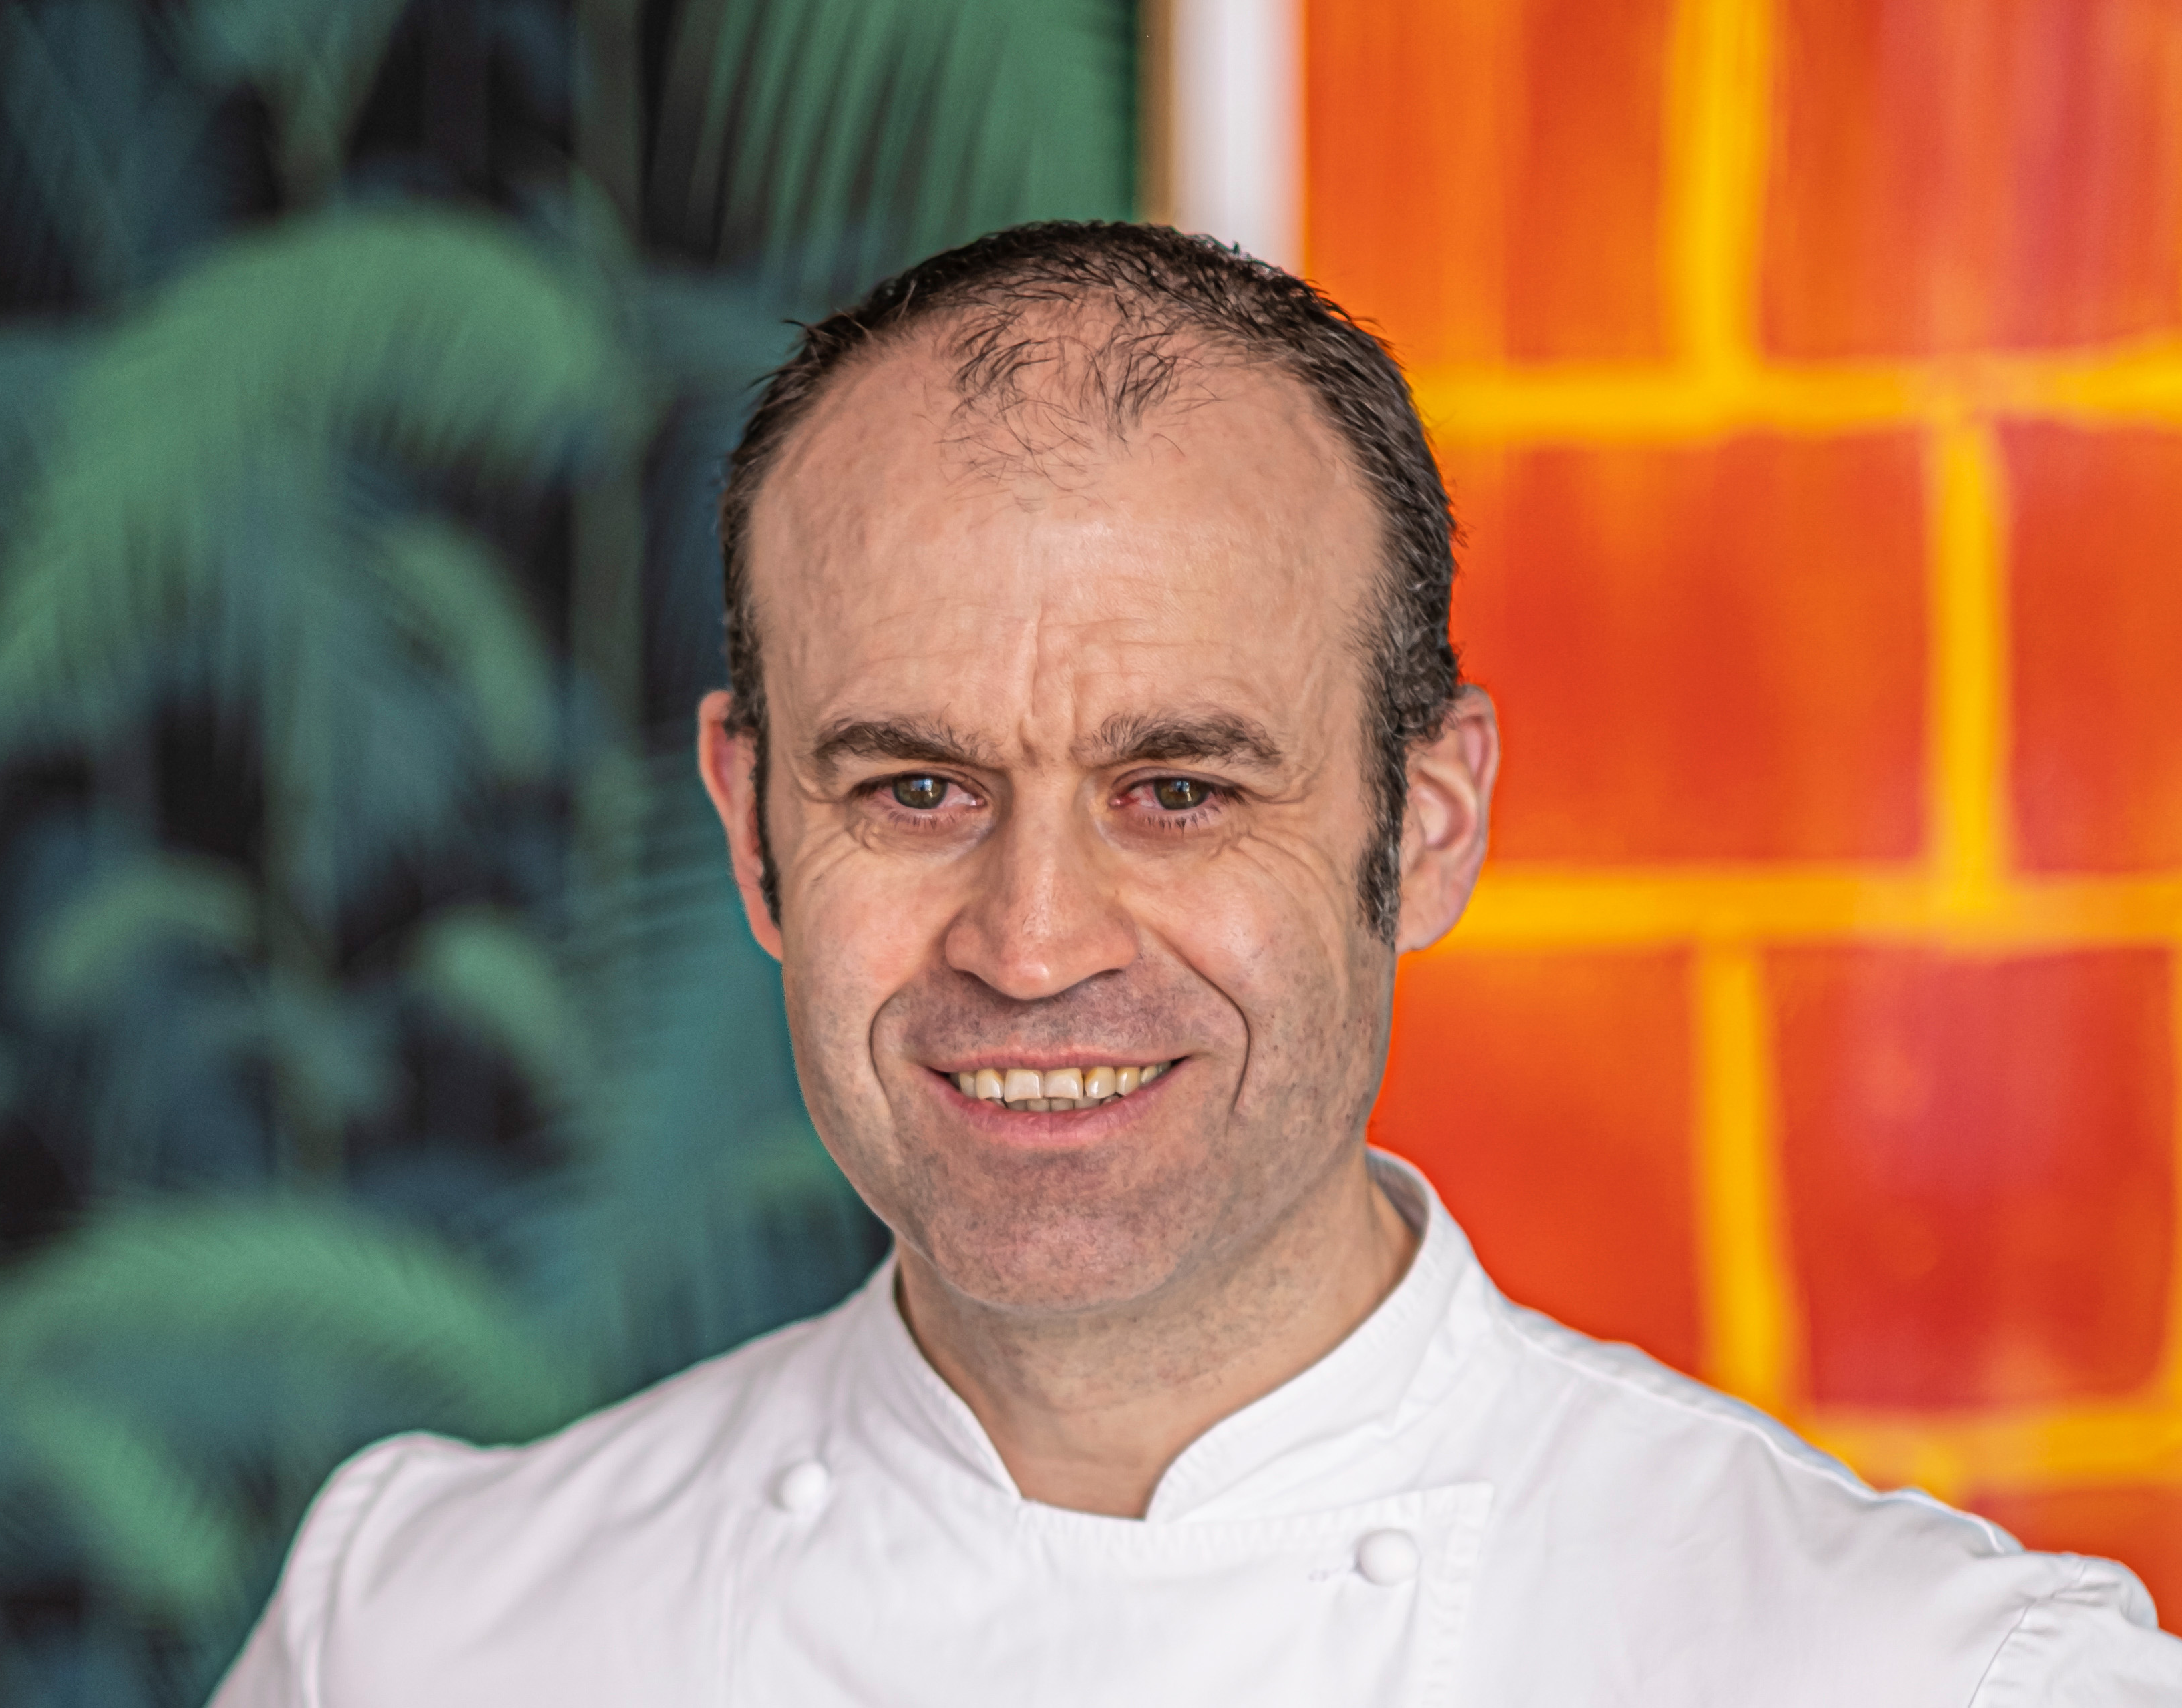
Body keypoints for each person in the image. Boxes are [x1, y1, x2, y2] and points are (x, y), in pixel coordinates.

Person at [210, 222, 2182, 1705]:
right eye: (915, 789)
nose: (1032, 942)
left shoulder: (1931, 1677)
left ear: (1426, 823)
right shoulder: (425, 1630)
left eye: (1177, 791)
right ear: (751, 830)